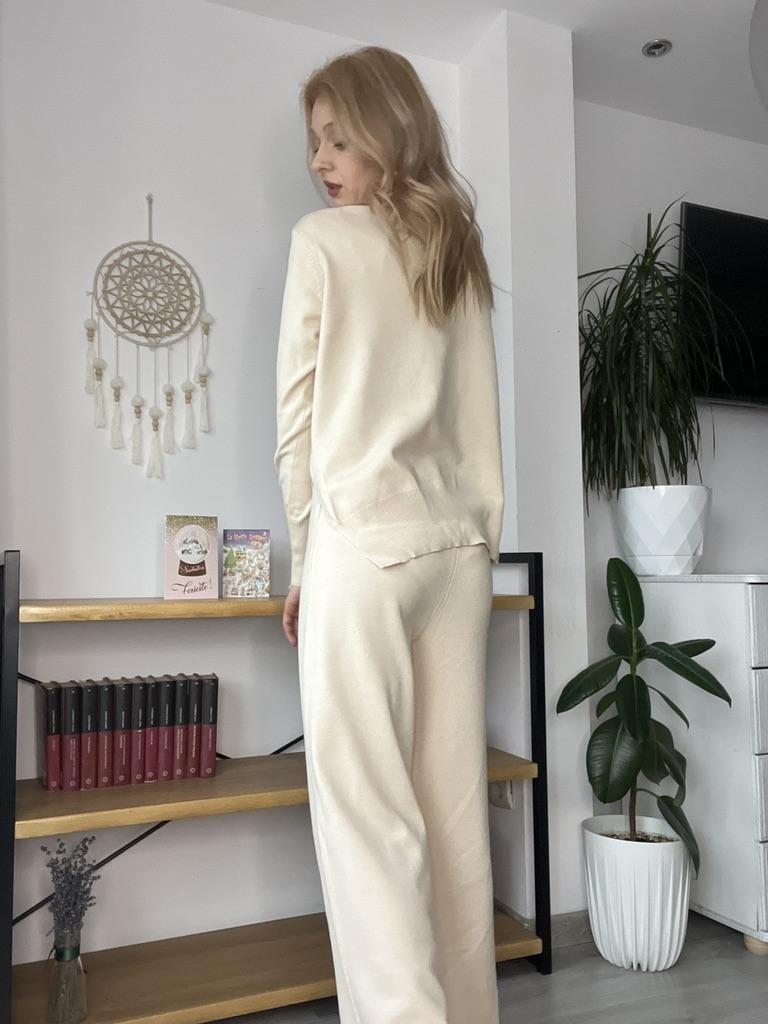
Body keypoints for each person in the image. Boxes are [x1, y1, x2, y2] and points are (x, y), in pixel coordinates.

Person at [273, 44, 504, 1024]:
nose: (321, 161)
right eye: (315, 143)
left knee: (369, 826)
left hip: (362, 550)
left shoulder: (324, 241)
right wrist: (482, 535)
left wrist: (303, 556)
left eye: (338, 137)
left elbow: (296, 419)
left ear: (388, 126)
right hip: (458, 556)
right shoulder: (457, 249)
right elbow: (480, 416)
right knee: (453, 816)